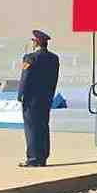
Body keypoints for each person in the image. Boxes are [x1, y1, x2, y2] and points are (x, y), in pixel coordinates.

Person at [18, 29, 60, 167]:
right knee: (43, 127)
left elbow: (25, 77)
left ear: (36, 42)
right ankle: (42, 157)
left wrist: (20, 94)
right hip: (46, 98)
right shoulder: (54, 58)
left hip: (31, 99)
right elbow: (54, 79)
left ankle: (33, 159)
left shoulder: (30, 58)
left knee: (31, 128)